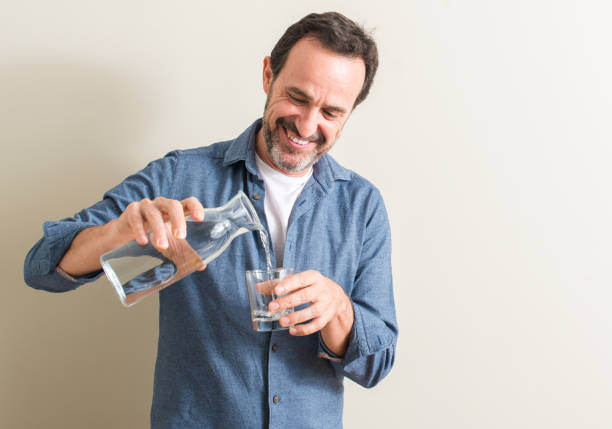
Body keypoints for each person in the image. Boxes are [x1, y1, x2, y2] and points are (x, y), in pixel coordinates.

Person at [24, 11, 398, 428]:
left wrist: (339, 310)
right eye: (298, 97)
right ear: (267, 74)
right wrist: (117, 233)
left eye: (331, 112)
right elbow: (42, 266)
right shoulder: (182, 175)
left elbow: (377, 363)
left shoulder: (361, 206)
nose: (307, 125)